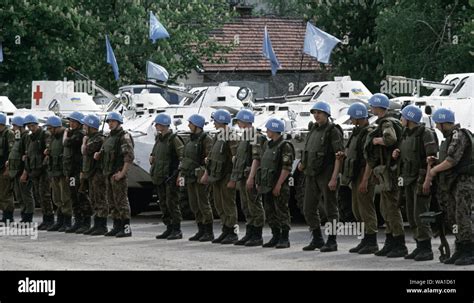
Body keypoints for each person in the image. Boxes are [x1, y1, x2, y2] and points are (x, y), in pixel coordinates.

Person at [427, 108, 473, 266]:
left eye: (437, 123)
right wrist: (436, 161)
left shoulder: (458, 135)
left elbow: (452, 160)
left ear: (442, 122)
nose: (436, 127)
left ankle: (469, 250)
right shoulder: (448, 138)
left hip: (464, 183)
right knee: (454, 217)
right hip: (454, 183)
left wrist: (433, 170)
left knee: (463, 216)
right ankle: (460, 249)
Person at [364, 93, 407, 258]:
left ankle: (399, 243)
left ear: (378, 107)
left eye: (372, 106)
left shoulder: (387, 122)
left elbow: (390, 139)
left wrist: (377, 141)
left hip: (390, 171)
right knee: (384, 207)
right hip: (385, 171)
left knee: (391, 208)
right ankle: (390, 241)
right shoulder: (386, 121)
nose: (371, 108)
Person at [392, 105, 438, 261]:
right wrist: (397, 152)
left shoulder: (425, 134)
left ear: (410, 118)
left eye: (403, 117)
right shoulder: (405, 133)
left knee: (422, 215)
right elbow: (404, 151)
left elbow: (431, 159)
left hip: (420, 179)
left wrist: (427, 180)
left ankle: (426, 249)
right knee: (411, 215)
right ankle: (419, 246)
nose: (401, 119)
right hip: (407, 179)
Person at [298, 101, 344, 252]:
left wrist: (334, 177)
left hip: (327, 173)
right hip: (311, 174)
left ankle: (332, 241)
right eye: (314, 113)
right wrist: (302, 164)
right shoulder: (313, 129)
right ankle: (317, 238)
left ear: (327, 114)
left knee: (331, 209)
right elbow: (309, 150)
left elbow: (339, 156)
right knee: (308, 208)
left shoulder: (333, 131)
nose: (316, 115)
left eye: (319, 113)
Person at [341, 102, 379, 254]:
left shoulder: (368, 133)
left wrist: (365, 179)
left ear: (358, 117)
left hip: (365, 175)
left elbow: (370, 159)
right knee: (357, 209)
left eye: (352, 117)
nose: (350, 120)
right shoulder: (358, 132)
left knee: (366, 209)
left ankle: (372, 242)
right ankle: (365, 240)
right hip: (356, 175)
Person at [201, 109, 239, 244]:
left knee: (229, 205)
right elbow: (211, 156)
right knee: (219, 204)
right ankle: (225, 230)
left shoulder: (232, 136)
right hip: (216, 176)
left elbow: (236, 159)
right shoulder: (218, 136)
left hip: (226, 175)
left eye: (215, 121)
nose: (214, 124)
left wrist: (233, 179)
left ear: (221, 121)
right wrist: (207, 173)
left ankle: (233, 232)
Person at [228, 109, 266, 246]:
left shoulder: (255, 136)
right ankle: (249, 233)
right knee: (246, 206)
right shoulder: (245, 136)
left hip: (251, 176)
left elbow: (257, 159)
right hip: (243, 176)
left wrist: (251, 177)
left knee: (254, 205)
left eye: (238, 120)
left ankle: (257, 235)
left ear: (243, 121)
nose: (237, 123)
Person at [94, 112, 134, 238]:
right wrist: (98, 155)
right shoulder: (108, 137)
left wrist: (122, 173)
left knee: (121, 201)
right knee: (112, 202)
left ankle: (126, 228)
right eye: (109, 121)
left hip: (117, 173)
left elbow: (129, 156)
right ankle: (117, 226)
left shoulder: (124, 136)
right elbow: (104, 152)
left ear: (118, 122)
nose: (110, 124)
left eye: (112, 121)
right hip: (108, 173)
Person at [257, 118, 294, 249]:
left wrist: (278, 185)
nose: (267, 131)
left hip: (279, 185)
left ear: (274, 129)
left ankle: (284, 238)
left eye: (268, 129)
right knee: (270, 211)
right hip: (266, 185)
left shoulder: (285, 146)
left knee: (281, 211)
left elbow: (286, 168)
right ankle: (275, 236)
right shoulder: (267, 145)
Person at [179, 114, 214, 242]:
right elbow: (185, 158)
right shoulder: (190, 139)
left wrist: (206, 173)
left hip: (200, 176)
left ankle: (208, 231)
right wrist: (181, 173)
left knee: (203, 203)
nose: (188, 125)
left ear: (197, 125)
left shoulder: (206, 139)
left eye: (190, 123)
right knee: (194, 204)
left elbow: (209, 158)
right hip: (189, 176)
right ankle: (200, 229)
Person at [150, 113, 184, 240]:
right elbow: (155, 152)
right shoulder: (159, 138)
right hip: (160, 176)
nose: (156, 126)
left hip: (170, 176)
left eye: (158, 124)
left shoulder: (173, 139)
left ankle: (176, 229)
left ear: (164, 125)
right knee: (163, 203)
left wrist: (179, 174)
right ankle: (169, 228)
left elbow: (182, 156)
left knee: (172, 203)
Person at [23, 114, 54, 230]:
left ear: (37, 124)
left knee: (45, 195)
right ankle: (45, 218)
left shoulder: (44, 135)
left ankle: (49, 218)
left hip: (43, 170)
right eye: (29, 126)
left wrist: (43, 166)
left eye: (33, 126)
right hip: (34, 170)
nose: (31, 128)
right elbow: (28, 154)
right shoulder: (30, 138)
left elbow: (47, 151)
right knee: (38, 195)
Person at [64, 111, 93, 234]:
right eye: (70, 121)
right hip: (72, 171)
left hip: (78, 171)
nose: (71, 123)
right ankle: (78, 221)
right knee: (73, 196)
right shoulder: (74, 133)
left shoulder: (79, 135)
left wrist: (65, 134)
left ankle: (86, 222)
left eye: (74, 122)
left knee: (81, 195)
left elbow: (66, 143)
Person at [44, 116, 73, 232]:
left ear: (57, 127)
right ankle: (60, 220)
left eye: (51, 128)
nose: (50, 131)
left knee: (65, 198)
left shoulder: (66, 136)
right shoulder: (53, 138)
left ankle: (67, 222)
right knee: (57, 198)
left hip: (63, 172)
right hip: (54, 171)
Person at [81, 114, 108, 235]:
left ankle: (101, 225)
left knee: (100, 199)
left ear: (91, 126)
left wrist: (84, 141)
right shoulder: (92, 138)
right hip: (90, 173)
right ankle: (96, 224)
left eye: (85, 125)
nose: (83, 128)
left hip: (97, 173)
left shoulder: (98, 139)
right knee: (93, 199)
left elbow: (85, 150)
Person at [7, 116, 35, 223]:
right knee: (19, 195)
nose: (13, 128)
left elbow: (26, 156)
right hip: (16, 171)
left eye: (14, 126)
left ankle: (28, 217)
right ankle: (24, 216)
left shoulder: (26, 137)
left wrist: (25, 172)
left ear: (19, 126)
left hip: (23, 171)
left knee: (26, 195)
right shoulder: (18, 137)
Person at [0, 113, 15, 223]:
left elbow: (11, 152)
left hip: (5, 168)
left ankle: (8, 216)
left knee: (6, 193)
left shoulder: (8, 134)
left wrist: (8, 168)